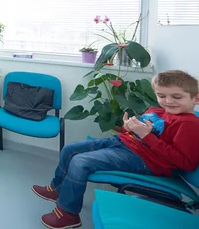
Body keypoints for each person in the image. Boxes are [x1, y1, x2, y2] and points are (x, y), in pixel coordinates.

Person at [33, 70, 199, 229]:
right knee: (70, 148)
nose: (168, 101)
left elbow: (186, 163)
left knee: (80, 161)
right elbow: (140, 131)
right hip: (123, 143)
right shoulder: (158, 111)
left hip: (144, 160)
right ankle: (57, 189)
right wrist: (127, 128)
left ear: (196, 98)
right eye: (161, 96)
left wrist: (146, 136)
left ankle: (68, 214)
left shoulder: (189, 124)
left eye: (177, 96)